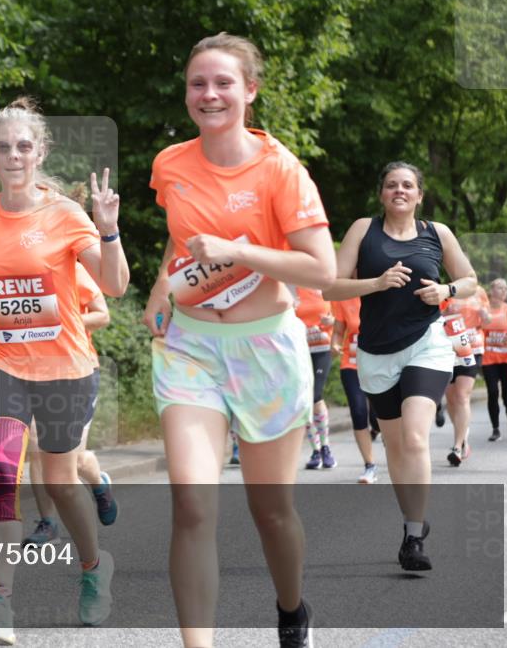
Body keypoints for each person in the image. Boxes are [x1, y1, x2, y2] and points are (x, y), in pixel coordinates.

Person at [143, 32, 335, 648]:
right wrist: (159, 291)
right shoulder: (170, 164)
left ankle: (291, 608)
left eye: (224, 82)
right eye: (198, 83)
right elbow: (181, 240)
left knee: (271, 512)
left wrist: (240, 250)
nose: (210, 94)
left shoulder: (281, 169)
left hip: (267, 350)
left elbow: (321, 270)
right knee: (193, 506)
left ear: (250, 90)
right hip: (191, 350)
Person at [0, 96, 129, 644]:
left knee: (60, 485)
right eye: (3, 147)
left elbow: (113, 286)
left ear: (39, 152)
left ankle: (93, 568)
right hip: (2, 365)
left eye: (23, 146)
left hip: (64, 367)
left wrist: (108, 232)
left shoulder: (64, 214)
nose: (13, 155)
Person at [323, 161, 477, 573]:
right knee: (394, 446)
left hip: (427, 345)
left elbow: (469, 280)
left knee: (413, 438)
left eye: (408, 185)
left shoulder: (436, 233)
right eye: (392, 185)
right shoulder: (363, 230)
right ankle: (412, 518)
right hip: (375, 352)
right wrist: (375, 283)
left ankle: (413, 535)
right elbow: (330, 285)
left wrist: (445, 290)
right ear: (382, 194)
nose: (400, 191)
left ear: (419, 195)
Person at [23, 262, 119, 548]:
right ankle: (48, 522)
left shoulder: (76, 270)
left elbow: (102, 315)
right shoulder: (22, 271)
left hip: (77, 369)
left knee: (73, 460)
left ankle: (99, 483)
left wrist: (63, 320)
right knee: (38, 449)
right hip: (32, 370)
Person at [330, 296, 380, 483]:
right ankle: (370, 466)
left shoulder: (382, 292)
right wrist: (335, 344)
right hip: (351, 365)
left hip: (380, 366)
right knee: (359, 412)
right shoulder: (344, 299)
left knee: (379, 417)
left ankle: (396, 455)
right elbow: (338, 332)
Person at [439, 284, 488, 465]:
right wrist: (445, 314)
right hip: (450, 347)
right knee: (451, 398)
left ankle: (457, 446)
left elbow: (487, 321)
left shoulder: (479, 291)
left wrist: (485, 316)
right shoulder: (445, 291)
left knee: (462, 395)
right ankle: (462, 437)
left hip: (472, 347)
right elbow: (434, 318)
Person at [295, 287, 337, 470]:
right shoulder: (290, 288)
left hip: (322, 348)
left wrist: (332, 321)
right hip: (298, 350)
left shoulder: (325, 286)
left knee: (315, 395)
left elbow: (341, 318)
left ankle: (325, 447)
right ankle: (315, 450)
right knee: (304, 398)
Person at [481, 278, 507, 441]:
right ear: (492, 290)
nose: (504, 291)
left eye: (505, 288)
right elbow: (474, 330)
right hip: (489, 359)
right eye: (500, 288)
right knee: (492, 392)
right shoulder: (484, 310)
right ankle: (495, 428)